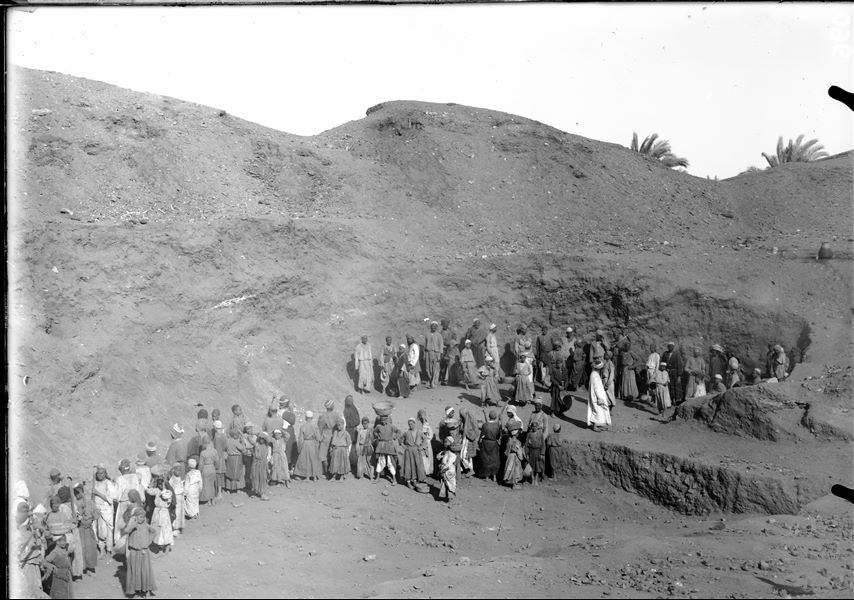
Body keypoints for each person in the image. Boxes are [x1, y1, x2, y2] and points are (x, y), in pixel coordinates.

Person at [123, 507, 157, 598]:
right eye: (140, 517)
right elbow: (126, 531)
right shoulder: (133, 525)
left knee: (144, 570)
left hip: (144, 552)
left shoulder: (146, 525)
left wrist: (148, 542)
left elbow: (154, 532)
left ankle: (143, 591)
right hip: (134, 552)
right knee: (135, 570)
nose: (142, 519)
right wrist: (132, 525)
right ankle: (135, 590)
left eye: (143, 517)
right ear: (136, 517)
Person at [114, 458, 144, 552]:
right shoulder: (136, 477)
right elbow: (140, 493)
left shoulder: (120, 479)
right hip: (135, 504)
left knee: (123, 525)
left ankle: (122, 546)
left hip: (124, 505)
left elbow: (116, 496)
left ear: (121, 469)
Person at [72, 484, 98, 574]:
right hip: (80, 530)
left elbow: (96, 513)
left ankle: (90, 567)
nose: (77, 495)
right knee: (82, 548)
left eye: (78, 493)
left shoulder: (90, 502)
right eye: (75, 493)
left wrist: (91, 518)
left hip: (88, 529)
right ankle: (83, 568)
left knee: (90, 548)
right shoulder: (75, 504)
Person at [91, 466, 115, 556]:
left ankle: (109, 548)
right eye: (98, 473)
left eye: (101, 473)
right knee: (99, 529)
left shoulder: (108, 483)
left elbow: (110, 498)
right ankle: (101, 548)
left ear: (105, 474)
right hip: (97, 509)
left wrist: (97, 493)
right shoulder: (95, 483)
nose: (99, 475)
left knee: (108, 530)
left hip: (106, 510)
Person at [294, 411, 323, 481]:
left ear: (305, 418)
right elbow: (318, 438)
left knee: (306, 460)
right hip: (313, 444)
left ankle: (307, 477)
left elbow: (300, 439)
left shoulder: (303, 426)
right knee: (314, 460)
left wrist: (299, 448)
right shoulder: (315, 426)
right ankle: (314, 476)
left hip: (305, 444)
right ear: (312, 418)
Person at [42, 533, 73, 599]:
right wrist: (52, 566)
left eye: (65, 540)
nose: (65, 542)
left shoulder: (64, 549)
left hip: (66, 574)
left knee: (67, 592)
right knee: (59, 594)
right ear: (57, 542)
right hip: (59, 576)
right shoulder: (54, 552)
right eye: (63, 541)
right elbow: (44, 562)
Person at [400, 417, 427, 488]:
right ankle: (408, 482)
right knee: (408, 466)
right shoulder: (406, 433)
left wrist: (422, 447)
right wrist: (404, 447)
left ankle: (414, 481)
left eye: (411, 424)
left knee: (416, 465)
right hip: (408, 451)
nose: (410, 425)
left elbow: (425, 439)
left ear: (414, 424)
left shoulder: (419, 432)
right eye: (409, 424)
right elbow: (400, 440)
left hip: (417, 451)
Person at [373, 414, 398, 484]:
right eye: (382, 421)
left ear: (387, 420)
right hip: (381, 445)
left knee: (390, 462)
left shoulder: (391, 426)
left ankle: (394, 479)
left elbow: (398, 431)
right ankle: (377, 478)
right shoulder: (378, 426)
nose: (383, 422)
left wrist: (395, 436)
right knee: (381, 461)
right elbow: (374, 431)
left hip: (389, 445)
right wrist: (377, 436)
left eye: (384, 420)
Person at [587, 360, 612, 432]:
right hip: (596, 396)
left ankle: (599, 425)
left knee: (600, 410)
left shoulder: (594, 374)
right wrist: (599, 397)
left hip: (596, 395)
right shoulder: (595, 375)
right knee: (597, 410)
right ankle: (595, 426)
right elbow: (596, 388)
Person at [478, 409, 502, 481]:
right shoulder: (498, 425)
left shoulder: (485, 425)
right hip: (494, 444)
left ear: (489, 416)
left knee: (486, 459)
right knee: (495, 459)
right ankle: (494, 477)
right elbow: (499, 436)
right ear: (495, 417)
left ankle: (487, 477)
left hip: (486, 444)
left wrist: (479, 442)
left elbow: (482, 435)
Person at [318, 399, 339, 476]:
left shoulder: (323, 416)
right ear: (332, 406)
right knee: (332, 455)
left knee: (323, 456)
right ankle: (332, 472)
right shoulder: (336, 415)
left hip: (325, 436)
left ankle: (326, 472)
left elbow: (320, 429)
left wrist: (319, 439)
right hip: (334, 436)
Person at [548, 340, 570, 414]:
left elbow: (563, 363)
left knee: (561, 397)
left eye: (558, 346)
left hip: (561, 374)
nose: (557, 347)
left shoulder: (562, 353)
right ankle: (553, 411)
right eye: (556, 346)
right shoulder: (551, 353)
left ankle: (560, 411)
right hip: (554, 373)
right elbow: (549, 363)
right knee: (554, 395)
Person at [250, 432, 271, 500]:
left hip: (263, 465)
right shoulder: (256, 445)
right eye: (260, 438)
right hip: (256, 464)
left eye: (263, 439)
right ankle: (256, 491)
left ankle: (262, 493)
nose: (261, 440)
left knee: (263, 478)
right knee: (256, 477)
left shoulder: (267, 446)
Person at [436, 437, 458, 503]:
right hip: (445, 470)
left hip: (449, 471)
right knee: (445, 484)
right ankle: (446, 498)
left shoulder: (452, 454)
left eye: (447, 442)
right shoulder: (446, 452)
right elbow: (438, 457)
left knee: (450, 485)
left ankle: (450, 500)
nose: (445, 443)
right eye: (445, 442)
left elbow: (449, 464)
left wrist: (443, 469)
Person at [198, 435, 218, 506]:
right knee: (212, 484)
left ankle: (208, 501)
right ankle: (213, 500)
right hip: (212, 467)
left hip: (205, 469)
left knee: (206, 485)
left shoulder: (203, 453)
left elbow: (201, 464)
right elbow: (217, 461)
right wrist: (215, 467)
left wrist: (199, 471)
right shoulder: (215, 451)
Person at [526, 420, 545, 486]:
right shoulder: (529, 434)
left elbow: (543, 444)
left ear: (537, 427)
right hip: (531, 452)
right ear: (531, 427)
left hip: (538, 451)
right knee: (531, 466)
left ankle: (536, 479)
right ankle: (532, 479)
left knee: (537, 466)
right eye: (533, 426)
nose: (534, 428)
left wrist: (542, 453)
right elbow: (526, 445)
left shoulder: (540, 434)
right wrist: (527, 453)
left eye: (535, 426)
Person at [343, 395, 361, 470]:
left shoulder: (349, 409)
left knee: (350, 449)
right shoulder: (351, 409)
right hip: (351, 431)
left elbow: (357, 421)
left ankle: (349, 465)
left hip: (350, 431)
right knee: (350, 449)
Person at [425, 321, 444, 389]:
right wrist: (425, 354)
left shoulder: (439, 335)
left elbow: (441, 345)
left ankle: (434, 382)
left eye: (435, 326)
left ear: (436, 327)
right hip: (428, 352)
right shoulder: (427, 334)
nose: (433, 327)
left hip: (436, 353)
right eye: (432, 326)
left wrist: (440, 354)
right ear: (430, 326)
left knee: (435, 368)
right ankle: (430, 380)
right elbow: (425, 344)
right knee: (428, 368)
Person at [168, 463, 185, 535]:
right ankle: (175, 527)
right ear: (173, 471)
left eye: (180, 470)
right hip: (175, 497)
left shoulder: (180, 478)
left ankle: (180, 526)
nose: (179, 472)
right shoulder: (172, 479)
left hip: (181, 497)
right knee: (176, 512)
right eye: (177, 470)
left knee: (181, 512)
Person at [212, 420, 227, 499]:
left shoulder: (217, 437)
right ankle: (220, 491)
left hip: (219, 457)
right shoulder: (223, 435)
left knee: (218, 474)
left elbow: (218, 450)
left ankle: (219, 493)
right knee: (221, 475)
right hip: (222, 456)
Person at [417, 409, 434, 477]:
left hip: (426, 443)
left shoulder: (426, 424)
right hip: (420, 443)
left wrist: (427, 440)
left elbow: (430, 433)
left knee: (427, 457)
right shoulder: (418, 425)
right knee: (423, 458)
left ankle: (428, 471)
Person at [439, 319, 455, 385]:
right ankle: (441, 378)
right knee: (441, 364)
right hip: (442, 349)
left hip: (449, 349)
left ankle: (447, 379)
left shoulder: (451, 332)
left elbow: (454, 340)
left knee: (448, 364)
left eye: (447, 324)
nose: (445, 325)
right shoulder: (440, 332)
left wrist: (450, 346)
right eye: (444, 324)